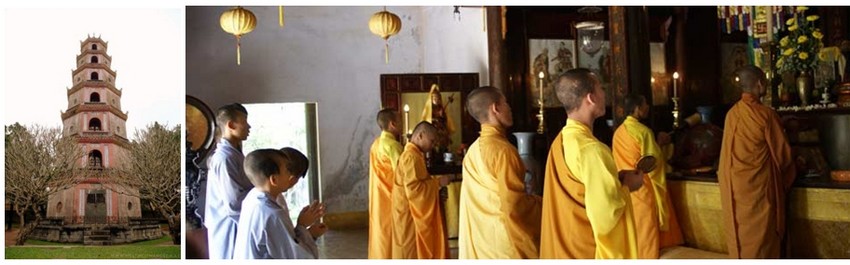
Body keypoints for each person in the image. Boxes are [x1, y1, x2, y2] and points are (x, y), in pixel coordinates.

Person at [539, 68, 643, 259]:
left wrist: (616, 181)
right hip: (588, 252)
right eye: (601, 89)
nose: (604, 94)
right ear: (591, 98)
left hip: (566, 248)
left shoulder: (561, 140)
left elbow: (582, 190)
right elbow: (606, 216)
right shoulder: (592, 150)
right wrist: (628, 186)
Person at [718, 65, 795, 258]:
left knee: (741, 238)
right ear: (760, 84)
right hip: (758, 192)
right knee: (763, 241)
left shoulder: (731, 114)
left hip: (734, 188)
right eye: (765, 81)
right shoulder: (765, 115)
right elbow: (783, 156)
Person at [458, 86, 542, 259]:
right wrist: (542, 203)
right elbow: (515, 207)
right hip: (504, 246)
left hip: (481, 243)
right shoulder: (504, 151)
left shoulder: (472, 151)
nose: (510, 108)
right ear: (495, 108)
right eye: (506, 103)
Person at [612, 94, 683, 258]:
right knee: (646, 227)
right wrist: (663, 146)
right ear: (637, 108)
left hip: (625, 187)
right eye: (645, 105)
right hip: (642, 186)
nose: (647, 108)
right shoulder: (643, 131)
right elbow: (653, 162)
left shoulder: (618, 132)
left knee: (632, 227)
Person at [233, 149, 326, 259]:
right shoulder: (273, 215)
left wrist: (306, 231)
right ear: (274, 179)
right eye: (287, 171)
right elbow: (299, 258)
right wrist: (303, 228)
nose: (290, 176)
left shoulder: (252, 197)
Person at [392, 121, 451, 259]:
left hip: (410, 211)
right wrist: (438, 183)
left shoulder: (415, 155)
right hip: (409, 214)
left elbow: (420, 183)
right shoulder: (411, 157)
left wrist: (436, 192)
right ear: (420, 135)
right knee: (410, 252)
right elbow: (414, 190)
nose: (433, 145)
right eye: (431, 141)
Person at [205, 103, 252, 259]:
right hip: (229, 227)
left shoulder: (234, 155)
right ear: (231, 125)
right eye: (245, 122)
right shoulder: (225, 158)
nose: (249, 126)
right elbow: (234, 203)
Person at [368, 108, 403, 259]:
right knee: (392, 235)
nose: (402, 123)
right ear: (393, 124)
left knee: (380, 234)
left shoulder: (376, 144)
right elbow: (403, 175)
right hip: (391, 199)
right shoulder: (393, 146)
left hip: (378, 198)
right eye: (399, 120)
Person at [421, 84, 456, 153]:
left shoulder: (441, 108)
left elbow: (445, 120)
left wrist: (442, 115)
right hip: (433, 128)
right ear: (431, 99)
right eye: (435, 98)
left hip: (441, 129)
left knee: (443, 144)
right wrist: (434, 119)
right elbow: (426, 120)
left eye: (438, 98)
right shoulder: (429, 109)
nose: (436, 100)